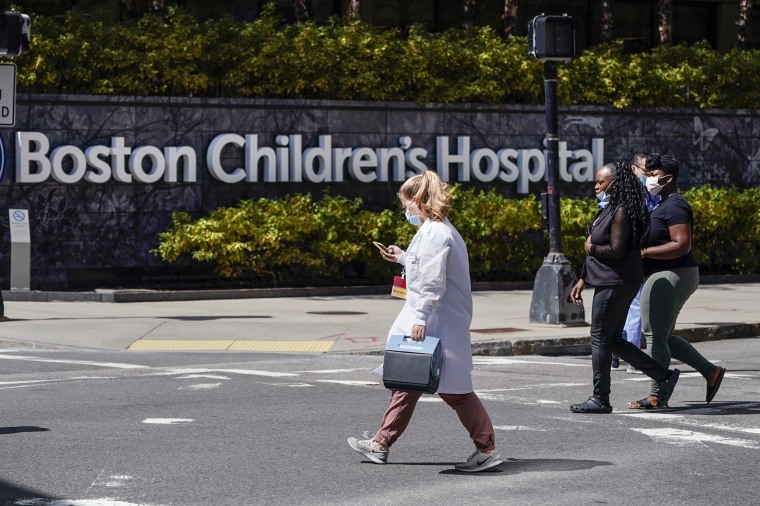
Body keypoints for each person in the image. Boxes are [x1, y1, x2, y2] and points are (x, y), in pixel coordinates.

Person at [347, 170, 502, 472]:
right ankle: (381, 443)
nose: (406, 211)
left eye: (406, 205)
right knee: (409, 382)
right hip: (438, 319)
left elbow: (431, 281)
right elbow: (427, 269)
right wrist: (403, 257)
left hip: (435, 322)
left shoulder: (435, 233)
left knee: (454, 390)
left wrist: (419, 318)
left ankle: (486, 449)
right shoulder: (438, 230)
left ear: (417, 199)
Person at [570, 161, 681, 414]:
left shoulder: (621, 210)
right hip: (613, 280)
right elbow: (599, 251)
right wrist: (583, 278)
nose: (596, 186)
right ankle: (662, 375)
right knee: (613, 340)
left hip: (615, 282)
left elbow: (615, 251)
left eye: (601, 182)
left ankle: (600, 398)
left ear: (615, 183)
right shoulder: (610, 208)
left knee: (599, 338)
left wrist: (590, 247)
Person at [627, 154, 726, 409]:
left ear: (668, 177)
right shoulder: (662, 204)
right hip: (669, 274)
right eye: (647, 174)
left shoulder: (676, 205)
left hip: (673, 273)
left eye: (652, 174)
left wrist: (645, 253)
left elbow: (682, 245)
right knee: (664, 336)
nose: (648, 178)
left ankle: (657, 395)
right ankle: (711, 372)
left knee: (655, 336)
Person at [617, 152, 657, 374]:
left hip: (643, 255)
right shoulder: (630, 194)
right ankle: (631, 354)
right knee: (635, 306)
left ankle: (620, 349)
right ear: (634, 169)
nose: (649, 176)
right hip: (635, 256)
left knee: (631, 305)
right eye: (646, 171)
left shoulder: (649, 192)